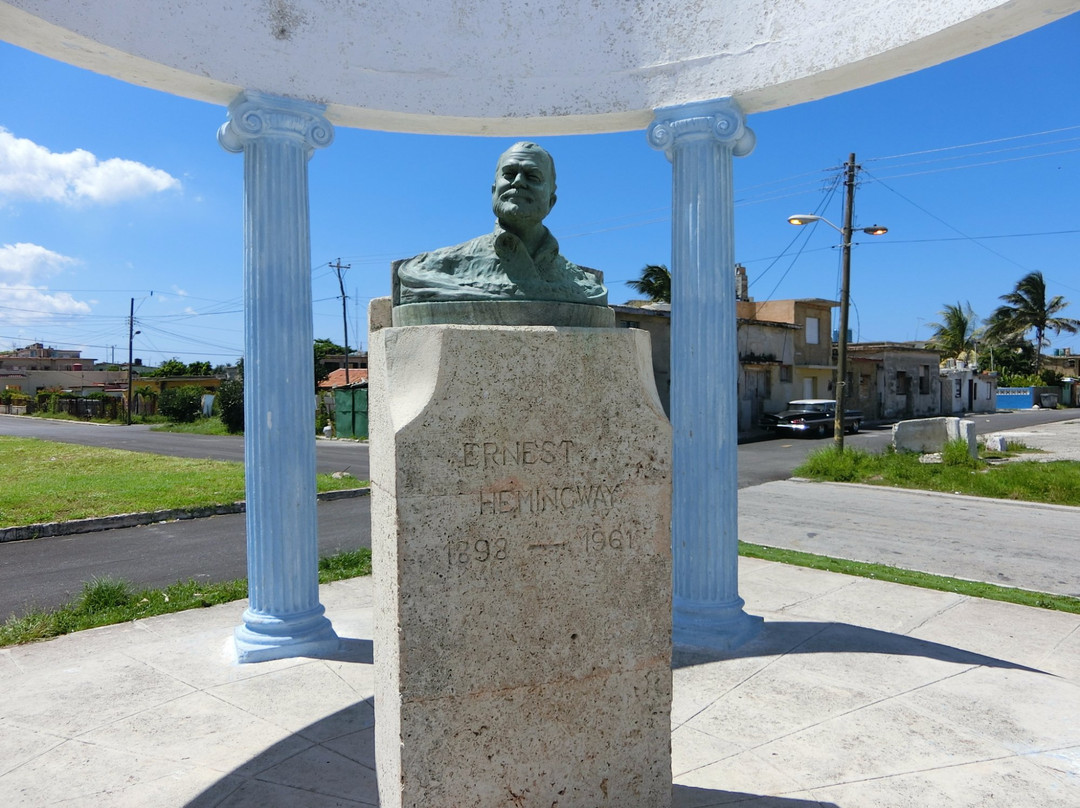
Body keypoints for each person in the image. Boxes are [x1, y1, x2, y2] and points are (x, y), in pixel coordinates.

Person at [394, 142, 607, 307]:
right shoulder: (435, 267)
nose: (518, 182)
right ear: (493, 191)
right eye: (509, 174)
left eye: (532, 176)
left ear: (551, 201)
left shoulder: (585, 284)